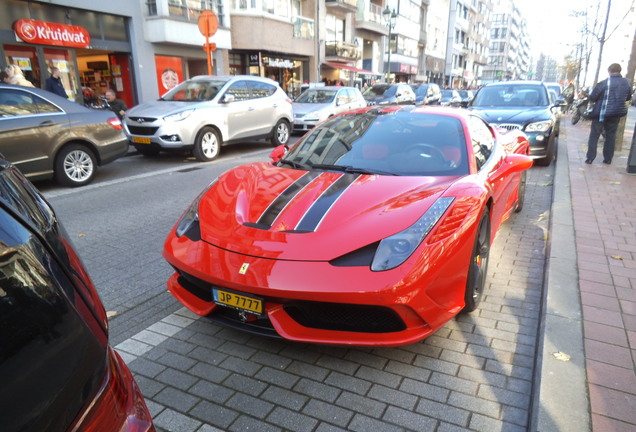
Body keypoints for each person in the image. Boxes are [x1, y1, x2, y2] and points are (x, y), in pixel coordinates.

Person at [585, 63, 632, 165]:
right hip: (616, 114)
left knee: (594, 136)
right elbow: (628, 97)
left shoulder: (604, 83)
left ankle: (590, 158)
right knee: (611, 136)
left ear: (609, 71)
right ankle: (608, 159)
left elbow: (593, 97)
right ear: (620, 71)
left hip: (601, 113)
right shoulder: (627, 83)